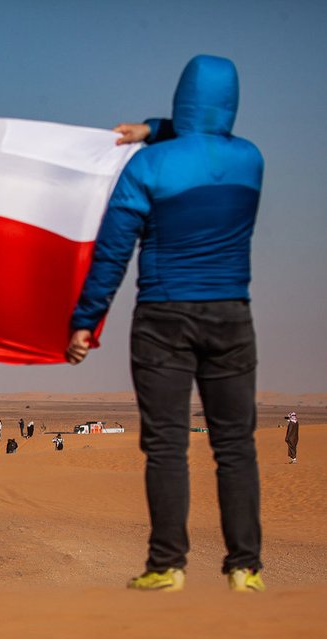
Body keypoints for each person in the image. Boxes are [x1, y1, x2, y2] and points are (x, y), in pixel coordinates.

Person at [67, 55, 265, 593]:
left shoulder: (147, 167)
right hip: (232, 315)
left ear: (181, 99)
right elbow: (206, 135)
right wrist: (157, 130)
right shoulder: (250, 159)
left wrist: (86, 321)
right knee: (235, 446)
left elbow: (112, 253)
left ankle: (167, 565)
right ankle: (245, 566)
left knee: (167, 444)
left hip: (163, 317)